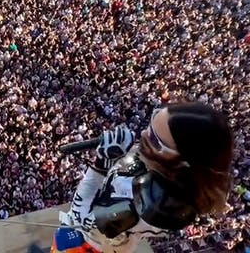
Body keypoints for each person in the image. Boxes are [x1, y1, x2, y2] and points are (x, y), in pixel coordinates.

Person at [51, 102, 234, 253]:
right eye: (151, 122)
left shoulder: (156, 203)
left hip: (88, 246)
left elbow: (80, 217)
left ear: (180, 162)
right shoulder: (166, 170)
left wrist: (101, 164)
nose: (144, 134)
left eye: (154, 139)